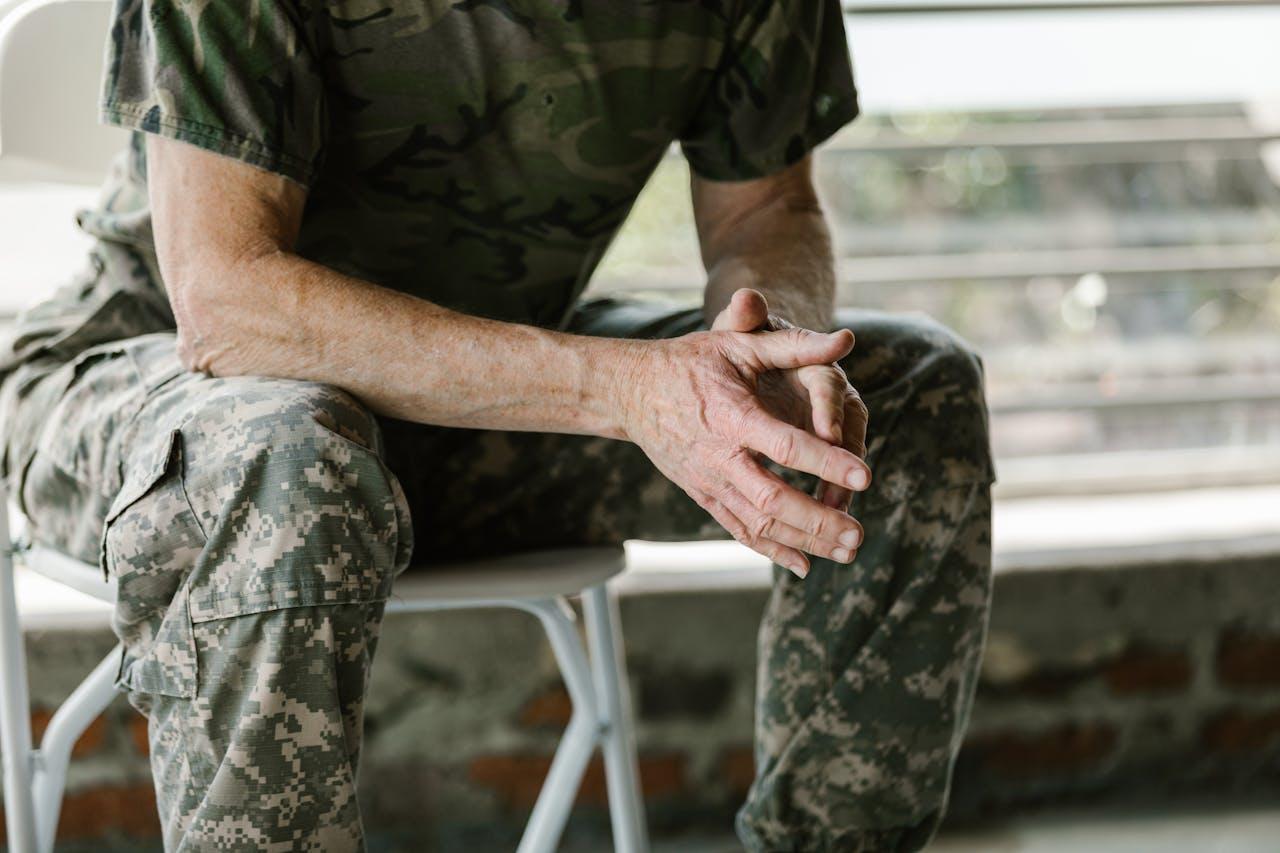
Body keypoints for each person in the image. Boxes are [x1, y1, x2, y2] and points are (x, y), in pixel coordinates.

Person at [0, 0, 995, 849]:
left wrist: (765, 342)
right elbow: (227, 302)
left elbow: (764, 209)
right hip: (162, 377)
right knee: (287, 450)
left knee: (913, 392)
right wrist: (628, 392)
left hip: (484, 396)